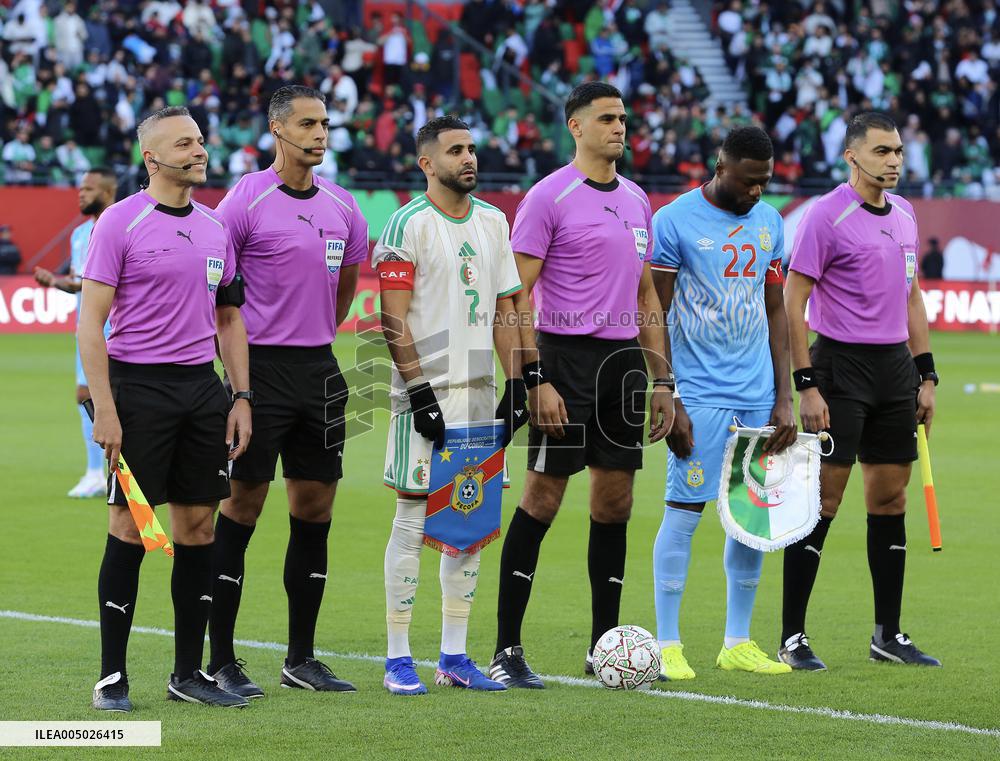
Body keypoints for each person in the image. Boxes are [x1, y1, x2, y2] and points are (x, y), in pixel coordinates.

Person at [490, 82, 674, 688]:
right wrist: (531, 378)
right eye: (606, 118)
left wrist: (662, 380)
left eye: (623, 117)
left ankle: (605, 648)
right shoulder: (549, 197)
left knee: (614, 503)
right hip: (561, 359)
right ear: (575, 126)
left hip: (621, 363)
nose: (619, 127)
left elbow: (646, 293)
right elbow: (514, 298)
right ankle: (507, 649)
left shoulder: (637, 199)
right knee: (543, 498)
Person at [80, 106, 253, 711]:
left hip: (202, 391)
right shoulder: (119, 223)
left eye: (201, 141)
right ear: (152, 158)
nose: (199, 150)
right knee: (129, 526)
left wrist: (241, 396)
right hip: (138, 390)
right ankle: (111, 676)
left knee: (198, 527)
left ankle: (187, 673)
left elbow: (230, 319)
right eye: (184, 143)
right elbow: (91, 324)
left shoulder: (215, 228)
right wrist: (105, 407)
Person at [208, 85, 367, 697]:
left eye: (325, 123)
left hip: (319, 372)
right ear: (278, 130)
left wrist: (315, 333)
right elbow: (220, 295)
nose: (320, 133)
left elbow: (346, 286)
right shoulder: (245, 199)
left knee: (315, 513)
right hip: (259, 374)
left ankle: (301, 658)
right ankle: (221, 658)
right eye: (307, 123)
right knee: (241, 509)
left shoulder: (343, 206)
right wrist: (239, 383)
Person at [372, 115, 527, 696]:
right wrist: (418, 395)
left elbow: (509, 307)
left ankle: (455, 656)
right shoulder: (405, 224)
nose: (468, 158)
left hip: (481, 397)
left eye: (471, 148)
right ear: (426, 163)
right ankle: (397, 657)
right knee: (413, 517)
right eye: (455, 150)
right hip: (426, 396)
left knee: (471, 521)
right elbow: (393, 316)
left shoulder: (493, 221)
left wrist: (519, 384)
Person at [780, 112, 941, 670]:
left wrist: (927, 374)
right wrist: (808, 385)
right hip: (840, 369)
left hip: (895, 370)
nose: (894, 160)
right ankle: (793, 636)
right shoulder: (825, 216)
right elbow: (792, 305)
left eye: (897, 151)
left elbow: (913, 297)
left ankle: (887, 635)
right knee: (823, 504)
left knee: (890, 502)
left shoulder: (905, 214)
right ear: (852, 156)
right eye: (881, 151)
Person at [649, 126, 796, 681]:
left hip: (757, 394)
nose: (758, 191)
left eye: (766, 181)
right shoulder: (674, 221)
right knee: (684, 513)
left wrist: (784, 396)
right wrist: (670, 394)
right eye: (749, 180)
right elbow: (653, 314)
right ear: (720, 165)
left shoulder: (771, 223)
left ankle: (737, 640)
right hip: (700, 392)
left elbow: (777, 310)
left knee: (750, 518)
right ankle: (667, 643)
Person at [34, 168, 118, 498]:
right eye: (79, 188)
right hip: (88, 328)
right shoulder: (80, 233)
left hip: (117, 329)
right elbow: (80, 282)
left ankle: (107, 473)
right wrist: (57, 283)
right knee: (86, 395)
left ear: (108, 192)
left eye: (89, 188)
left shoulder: (119, 226)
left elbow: (104, 281)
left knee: (104, 396)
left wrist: (61, 282)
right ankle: (97, 471)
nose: (81, 194)